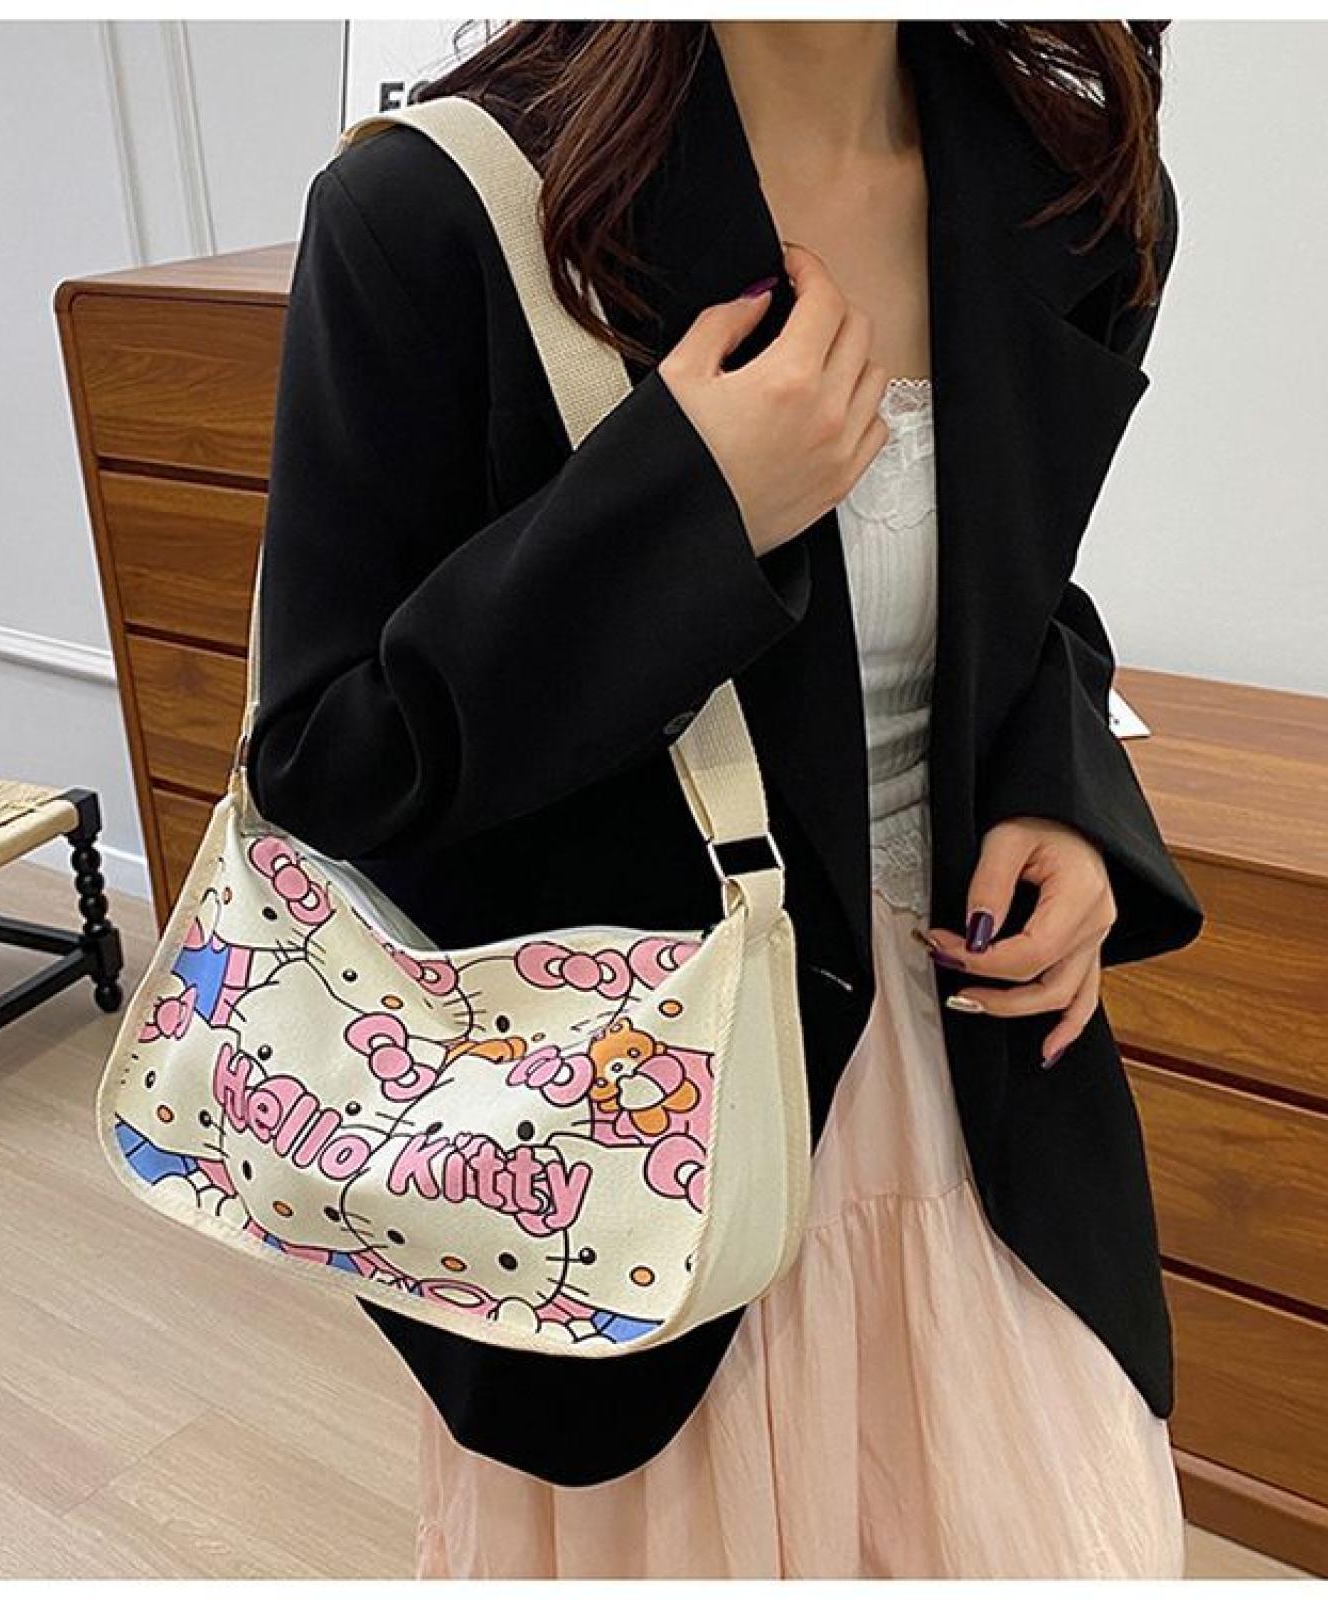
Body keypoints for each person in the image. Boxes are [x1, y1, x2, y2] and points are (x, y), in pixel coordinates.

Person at [248, 17, 1204, 1580]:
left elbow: (1018, 599)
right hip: (630, 1177)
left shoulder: (1075, 187)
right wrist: (689, 510)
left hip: (994, 1123)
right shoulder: (438, 210)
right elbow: (327, 763)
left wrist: (1063, 797)